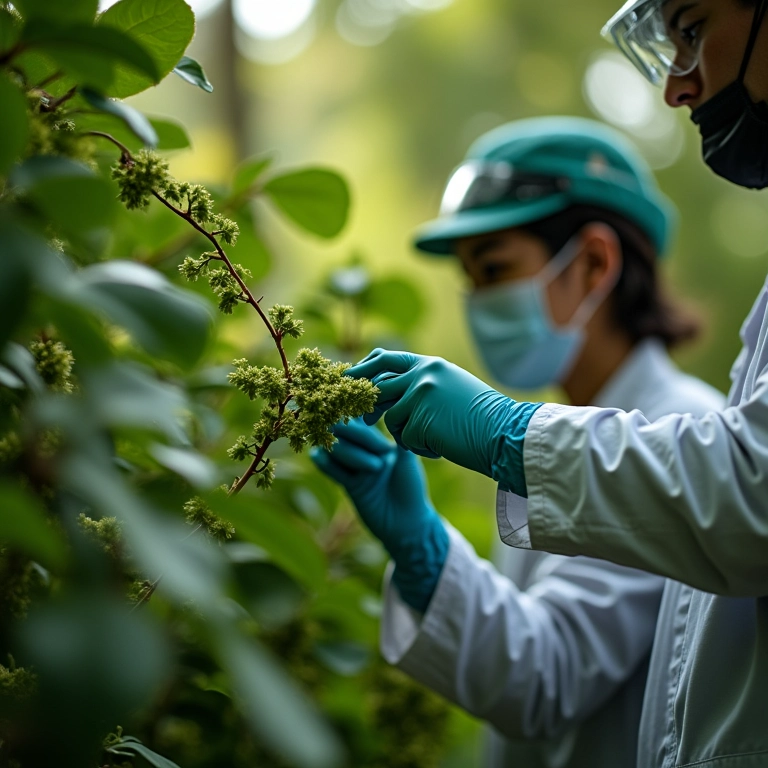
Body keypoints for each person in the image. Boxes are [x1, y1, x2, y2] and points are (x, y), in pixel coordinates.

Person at [327, 0, 768, 765]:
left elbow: (545, 676)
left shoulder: (675, 428)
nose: (479, 307)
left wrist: (434, 537)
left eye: (496, 272)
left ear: (594, 265)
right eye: (469, 283)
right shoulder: (592, 441)